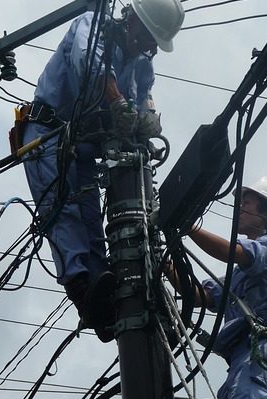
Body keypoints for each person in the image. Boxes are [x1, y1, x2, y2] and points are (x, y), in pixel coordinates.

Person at [21, 0, 185, 341]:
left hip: (82, 147)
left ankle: (104, 299)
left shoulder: (141, 63)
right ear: (133, 22)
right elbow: (92, 70)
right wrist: (118, 103)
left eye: (157, 42)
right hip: (47, 134)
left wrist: (147, 117)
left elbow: (143, 98)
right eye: (149, 37)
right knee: (62, 211)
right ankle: (82, 291)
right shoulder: (91, 25)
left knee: (92, 220)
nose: (151, 47)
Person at [167, 176, 267, 399]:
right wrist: (164, 264)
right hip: (242, 355)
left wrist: (188, 226)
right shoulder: (240, 275)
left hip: (266, 348)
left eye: (246, 203)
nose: (239, 208)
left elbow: (230, 253)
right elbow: (199, 296)